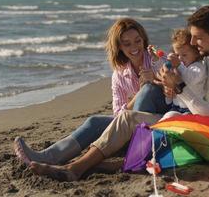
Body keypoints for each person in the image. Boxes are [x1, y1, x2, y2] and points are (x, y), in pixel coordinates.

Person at [29, 4, 209, 181]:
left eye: (197, 38)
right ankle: (79, 164)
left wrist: (178, 87)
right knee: (125, 118)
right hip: (192, 122)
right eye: (192, 37)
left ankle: (77, 167)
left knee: (141, 107)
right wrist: (172, 84)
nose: (193, 43)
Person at [13, 18, 166, 165]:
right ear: (119, 47)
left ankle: (135, 148)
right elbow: (119, 115)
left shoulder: (157, 59)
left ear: (144, 40)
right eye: (127, 44)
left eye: (138, 41)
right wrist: (137, 96)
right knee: (94, 121)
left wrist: (154, 79)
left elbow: (178, 92)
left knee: (148, 89)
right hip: (132, 126)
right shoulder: (119, 75)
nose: (134, 47)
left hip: (160, 120)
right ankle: (50, 156)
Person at [159, 28, 206, 121]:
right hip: (176, 107)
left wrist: (178, 65)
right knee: (167, 117)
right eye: (177, 55)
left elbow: (189, 79)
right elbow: (176, 91)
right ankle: (153, 132)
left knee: (170, 118)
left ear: (196, 53)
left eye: (184, 55)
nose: (180, 58)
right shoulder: (180, 68)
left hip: (192, 110)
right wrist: (169, 94)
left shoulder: (198, 67)